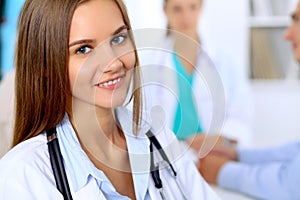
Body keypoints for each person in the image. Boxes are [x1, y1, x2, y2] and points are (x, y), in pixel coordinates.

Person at [0, 0, 220, 199]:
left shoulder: (158, 137)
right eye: (84, 49)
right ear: (46, 66)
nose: (114, 63)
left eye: (118, 38)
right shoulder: (23, 176)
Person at [198, 2, 300, 199]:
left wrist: (222, 171)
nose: (286, 34)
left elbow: (291, 186)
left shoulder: (222, 59)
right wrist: (239, 156)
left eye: (297, 19)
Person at [140, 0, 254, 161]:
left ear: (201, 8)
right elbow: (140, 118)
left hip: (213, 154)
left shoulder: (225, 62)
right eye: (177, 9)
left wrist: (218, 139)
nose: (186, 16)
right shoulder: (149, 63)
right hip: (166, 156)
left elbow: (241, 115)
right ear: (166, 11)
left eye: (192, 7)